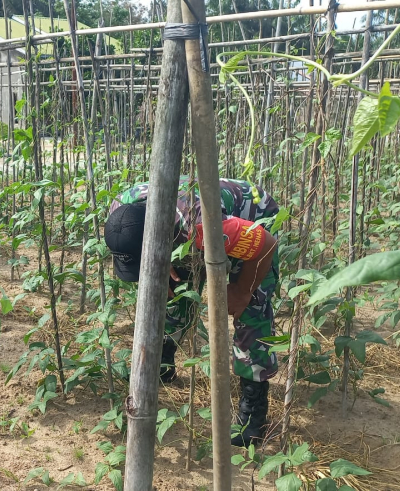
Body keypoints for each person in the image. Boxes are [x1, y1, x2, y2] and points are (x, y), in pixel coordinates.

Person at [104, 176, 280, 448]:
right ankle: (162, 364)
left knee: (251, 309)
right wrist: (159, 272)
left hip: (251, 215)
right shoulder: (121, 213)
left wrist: (242, 289)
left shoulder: (203, 226)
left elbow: (266, 245)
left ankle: (253, 411)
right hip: (181, 231)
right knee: (171, 292)